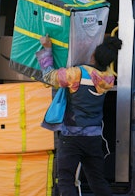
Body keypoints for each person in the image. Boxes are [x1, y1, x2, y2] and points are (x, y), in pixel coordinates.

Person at [36, 34, 122, 196]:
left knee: (65, 180)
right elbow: (106, 66)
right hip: (93, 138)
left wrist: (47, 48)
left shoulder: (76, 74)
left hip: (72, 137)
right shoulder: (108, 80)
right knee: (97, 181)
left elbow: (48, 76)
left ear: (93, 55)